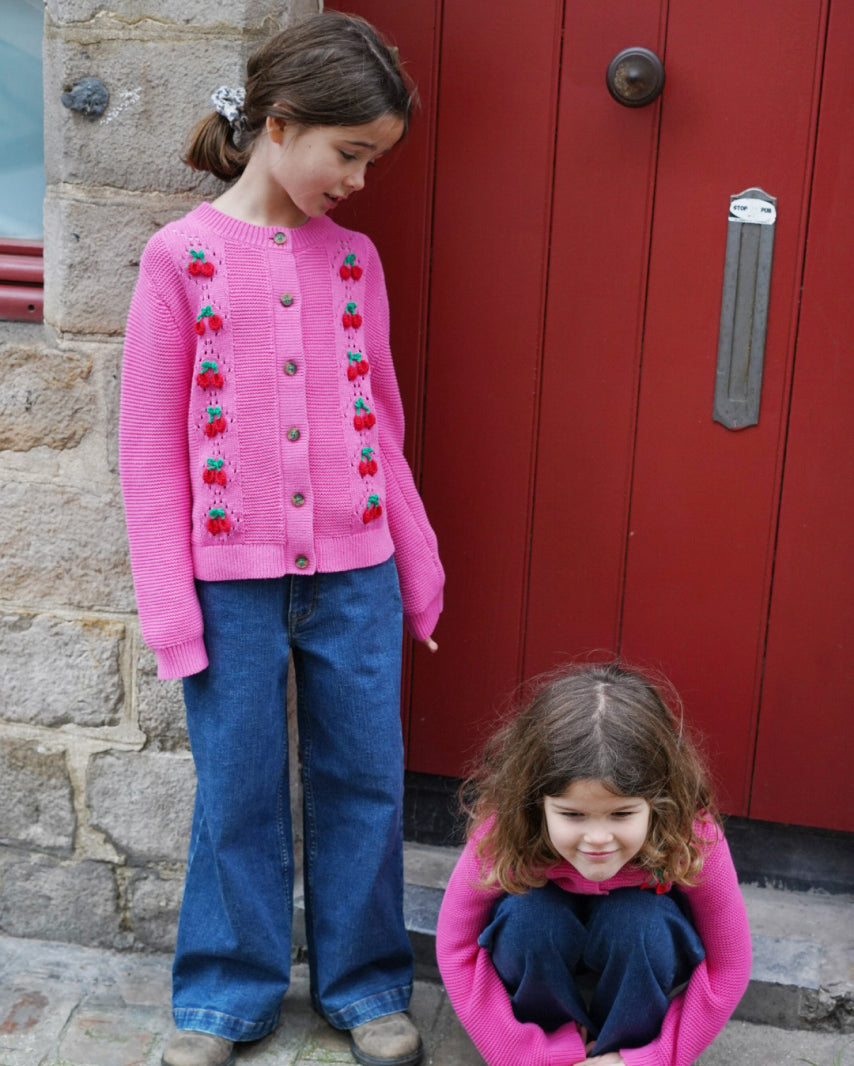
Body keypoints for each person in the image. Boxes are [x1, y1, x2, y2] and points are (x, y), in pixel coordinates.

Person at [119, 13, 444, 1066]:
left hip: (357, 576)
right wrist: (171, 609)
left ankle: (364, 983)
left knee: (364, 778)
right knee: (238, 785)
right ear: (282, 124)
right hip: (230, 585)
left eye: (372, 160)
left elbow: (378, 424)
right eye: (348, 153)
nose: (357, 180)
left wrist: (419, 566)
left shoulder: (354, 263)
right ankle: (224, 994)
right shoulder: (181, 260)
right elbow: (147, 453)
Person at [436, 662, 752, 1066]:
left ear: (659, 800)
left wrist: (649, 1059)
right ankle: (554, 1046)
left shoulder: (691, 834)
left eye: (621, 814)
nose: (598, 839)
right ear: (536, 802)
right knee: (529, 920)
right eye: (573, 815)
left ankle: (616, 1050)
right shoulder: (505, 830)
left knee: (638, 925)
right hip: (542, 940)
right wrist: (524, 1055)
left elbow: (730, 964)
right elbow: (455, 948)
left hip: (637, 946)